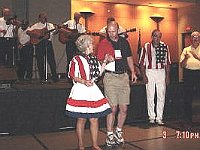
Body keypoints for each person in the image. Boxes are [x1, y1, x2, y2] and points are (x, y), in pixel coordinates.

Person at [65, 35, 111, 150]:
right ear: (85, 46)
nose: (93, 46)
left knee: (94, 119)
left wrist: (105, 61)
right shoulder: (76, 59)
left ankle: (95, 144)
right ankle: (81, 145)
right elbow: (72, 75)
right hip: (81, 89)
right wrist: (84, 81)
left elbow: (98, 73)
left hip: (92, 90)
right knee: (81, 118)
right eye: (91, 44)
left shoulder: (93, 58)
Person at [96, 21, 137, 146]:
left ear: (118, 30)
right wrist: (106, 59)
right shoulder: (104, 43)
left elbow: (129, 57)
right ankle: (109, 134)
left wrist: (133, 72)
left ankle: (118, 131)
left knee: (124, 108)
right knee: (112, 108)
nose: (110, 33)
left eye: (113, 31)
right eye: (108, 31)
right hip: (110, 78)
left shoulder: (124, 42)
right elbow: (99, 60)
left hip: (123, 77)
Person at [139, 29, 171, 125]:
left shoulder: (165, 46)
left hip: (161, 72)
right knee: (150, 95)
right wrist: (144, 75)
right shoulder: (146, 46)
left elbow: (168, 63)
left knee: (161, 95)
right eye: (155, 36)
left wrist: (167, 76)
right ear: (152, 36)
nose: (157, 38)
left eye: (159, 36)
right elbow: (141, 63)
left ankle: (159, 117)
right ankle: (151, 117)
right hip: (150, 72)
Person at [27, 12, 58, 83]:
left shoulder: (50, 25)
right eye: (43, 17)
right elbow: (28, 32)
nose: (44, 19)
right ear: (39, 18)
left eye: (45, 17)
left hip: (48, 43)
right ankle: (42, 77)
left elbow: (55, 32)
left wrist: (57, 30)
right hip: (39, 44)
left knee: (51, 60)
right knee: (40, 60)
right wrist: (37, 35)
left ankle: (55, 77)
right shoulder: (36, 25)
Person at [180, 31, 200, 123]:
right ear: (191, 39)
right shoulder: (186, 49)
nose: (195, 38)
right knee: (188, 96)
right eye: (193, 37)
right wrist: (186, 58)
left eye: (197, 36)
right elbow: (182, 65)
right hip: (188, 74)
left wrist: (196, 57)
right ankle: (187, 118)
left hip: (198, 73)